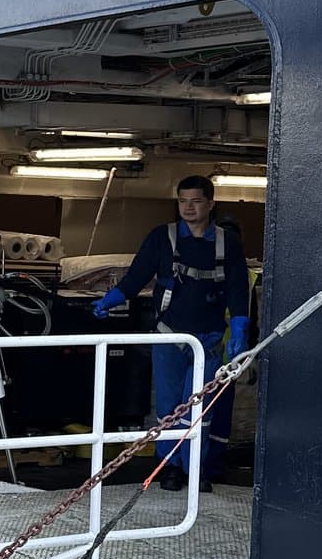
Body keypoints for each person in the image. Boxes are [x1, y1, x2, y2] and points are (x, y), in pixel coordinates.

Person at [93, 174, 249, 491]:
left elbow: (237, 289)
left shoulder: (227, 243)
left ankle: (196, 471)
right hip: (170, 337)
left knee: (200, 410)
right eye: (182, 201)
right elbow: (136, 277)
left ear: (211, 204)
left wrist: (241, 328)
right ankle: (169, 469)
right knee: (167, 408)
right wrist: (110, 301)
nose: (188, 208)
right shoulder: (161, 239)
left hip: (208, 340)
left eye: (195, 201)